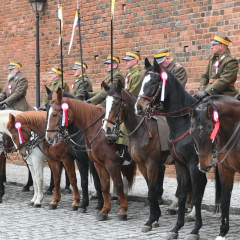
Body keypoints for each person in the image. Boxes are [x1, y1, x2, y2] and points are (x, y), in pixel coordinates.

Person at [154, 49, 188, 203]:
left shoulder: (178, 69)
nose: (160, 65)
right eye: (158, 63)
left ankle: (168, 150)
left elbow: (174, 89)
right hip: (162, 105)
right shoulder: (162, 71)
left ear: (168, 58)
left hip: (175, 105)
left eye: (162, 62)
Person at [116, 51, 143, 161]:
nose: (125, 62)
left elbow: (133, 93)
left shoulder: (137, 74)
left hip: (134, 105)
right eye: (125, 60)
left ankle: (127, 150)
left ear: (135, 61)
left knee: (124, 123)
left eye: (128, 60)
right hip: (127, 102)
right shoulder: (131, 73)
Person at [195, 32, 239, 99]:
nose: (211, 47)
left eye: (213, 45)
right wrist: (202, 90)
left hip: (224, 95)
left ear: (221, 46)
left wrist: (207, 92)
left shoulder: (231, 61)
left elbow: (224, 80)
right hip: (209, 94)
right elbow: (205, 77)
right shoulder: (214, 59)